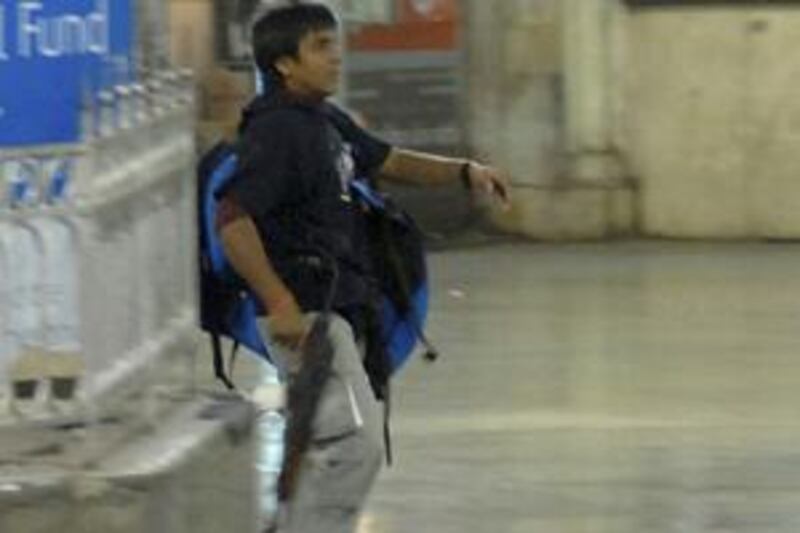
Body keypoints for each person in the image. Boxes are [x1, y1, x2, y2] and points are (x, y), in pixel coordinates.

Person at [215, 3, 511, 532]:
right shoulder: (279, 130)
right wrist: (279, 303)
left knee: (322, 444)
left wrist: (465, 172)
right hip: (304, 315)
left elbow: (390, 160)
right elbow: (232, 218)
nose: (337, 57)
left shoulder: (323, 120)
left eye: (335, 43)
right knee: (357, 446)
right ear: (285, 64)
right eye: (321, 47)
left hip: (334, 308)